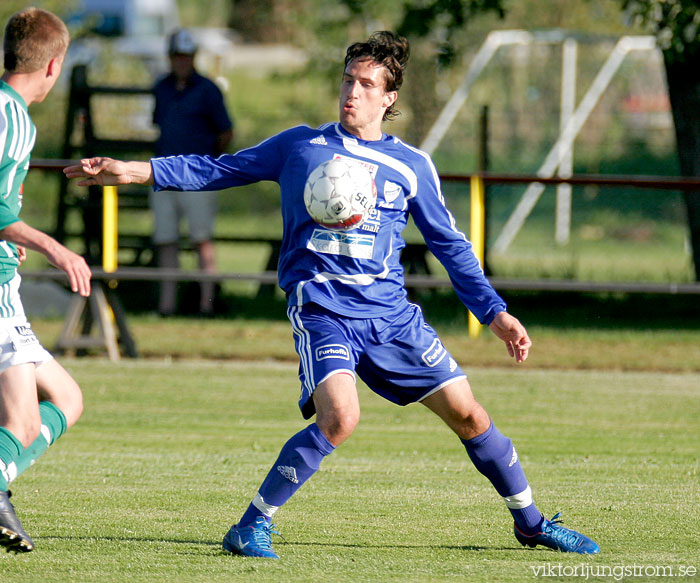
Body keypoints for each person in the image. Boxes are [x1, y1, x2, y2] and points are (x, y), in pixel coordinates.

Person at [64, 31, 599, 559]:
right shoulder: (301, 145)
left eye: (367, 84)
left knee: (471, 417)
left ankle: (531, 524)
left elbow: (450, 245)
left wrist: (495, 312)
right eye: (348, 80)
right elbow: (219, 169)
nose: (352, 92)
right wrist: (133, 171)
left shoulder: (410, 166)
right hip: (323, 310)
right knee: (340, 418)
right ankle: (250, 527)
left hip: (392, 319)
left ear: (388, 98)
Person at [0, 8, 92, 553]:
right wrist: (54, 247)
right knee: (25, 425)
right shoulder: (13, 119)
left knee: (68, 397)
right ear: (54, 65)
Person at [150, 28, 233, 316]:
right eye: (176, 56)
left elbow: (225, 131)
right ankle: (166, 306)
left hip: (198, 177)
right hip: (164, 175)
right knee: (166, 241)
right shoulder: (161, 87)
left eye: (185, 56)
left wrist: (209, 165)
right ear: (170, 58)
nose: (181, 61)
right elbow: (159, 123)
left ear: (193, 57)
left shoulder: (208, 89)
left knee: (202, 239)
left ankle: (206, 303)